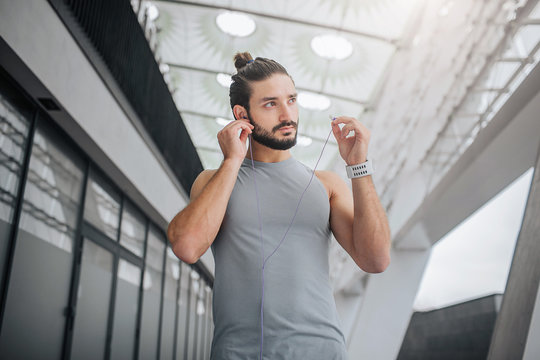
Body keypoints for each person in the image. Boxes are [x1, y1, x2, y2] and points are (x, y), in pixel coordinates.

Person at [167, 52, 391, 360]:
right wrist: (233, 160)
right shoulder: (213, 182)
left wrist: (358, 165)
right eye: (271, 104)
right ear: (241, 114)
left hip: (322, 352)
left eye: (292, 100)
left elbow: (376, 259)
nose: (288, 114)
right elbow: (186, 246)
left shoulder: (326, 186)